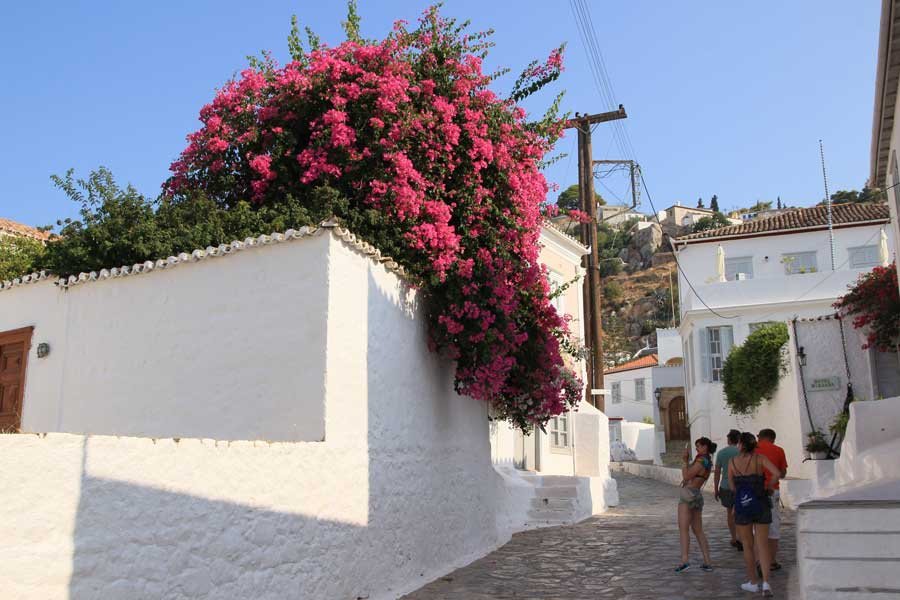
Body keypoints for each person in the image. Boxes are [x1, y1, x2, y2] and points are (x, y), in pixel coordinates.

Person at [729, 432, 781, 597]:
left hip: (743, 506)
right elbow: (777, 473)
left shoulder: (732, 462)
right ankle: (766, 583)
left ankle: (752, 582)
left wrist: (743, 493)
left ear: (741, 445)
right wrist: (768, 486)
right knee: (763, 545)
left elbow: (732, 487)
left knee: (747, 545)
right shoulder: (760, 459)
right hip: (761, 503)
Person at [674, 437, 717, 573]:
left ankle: (685, 560)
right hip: (697, 494)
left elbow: (686, 476)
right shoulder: (707, 461)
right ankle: (707, 561)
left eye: (698, 446)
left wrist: (685, 461)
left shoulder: (700, 461)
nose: (697, 448)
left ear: (705, 447)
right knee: (698, 530)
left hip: (688, 494)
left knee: (683, 529)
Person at [756, 428, 788, 570]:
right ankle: (772, 561)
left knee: (756, 527)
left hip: (755, 491)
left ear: (760, 437)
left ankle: (758, 560)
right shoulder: (779, 450)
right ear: (773, 438)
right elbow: (782, 473)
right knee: (773, 526)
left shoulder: (753, 450)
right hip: (772, 491)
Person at [714, 429, 742, 551]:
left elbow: (717, 472)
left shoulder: (721, 453)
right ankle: (742, 537)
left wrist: (715, 488)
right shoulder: (741, 452)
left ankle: (734, 537)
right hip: (741, 486)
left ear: (729, 439)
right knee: (741, 512)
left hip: (726, 486)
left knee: (729, 513)